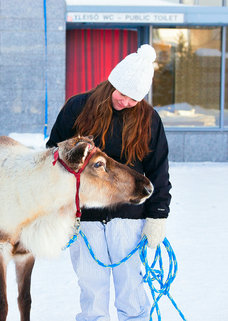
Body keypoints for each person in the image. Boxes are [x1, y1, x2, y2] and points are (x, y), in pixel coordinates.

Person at [46, 44, 172, 321]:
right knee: (92, 289)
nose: (126, 102)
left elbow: (159, 170)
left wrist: (158, 215)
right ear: (112, 82)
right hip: (85, 217)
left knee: (131, 288)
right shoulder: (78, 107)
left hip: (129, 218)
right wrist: (60, 210)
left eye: (134, 99)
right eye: (123, 94)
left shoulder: (149, 120)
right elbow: (52, 156)